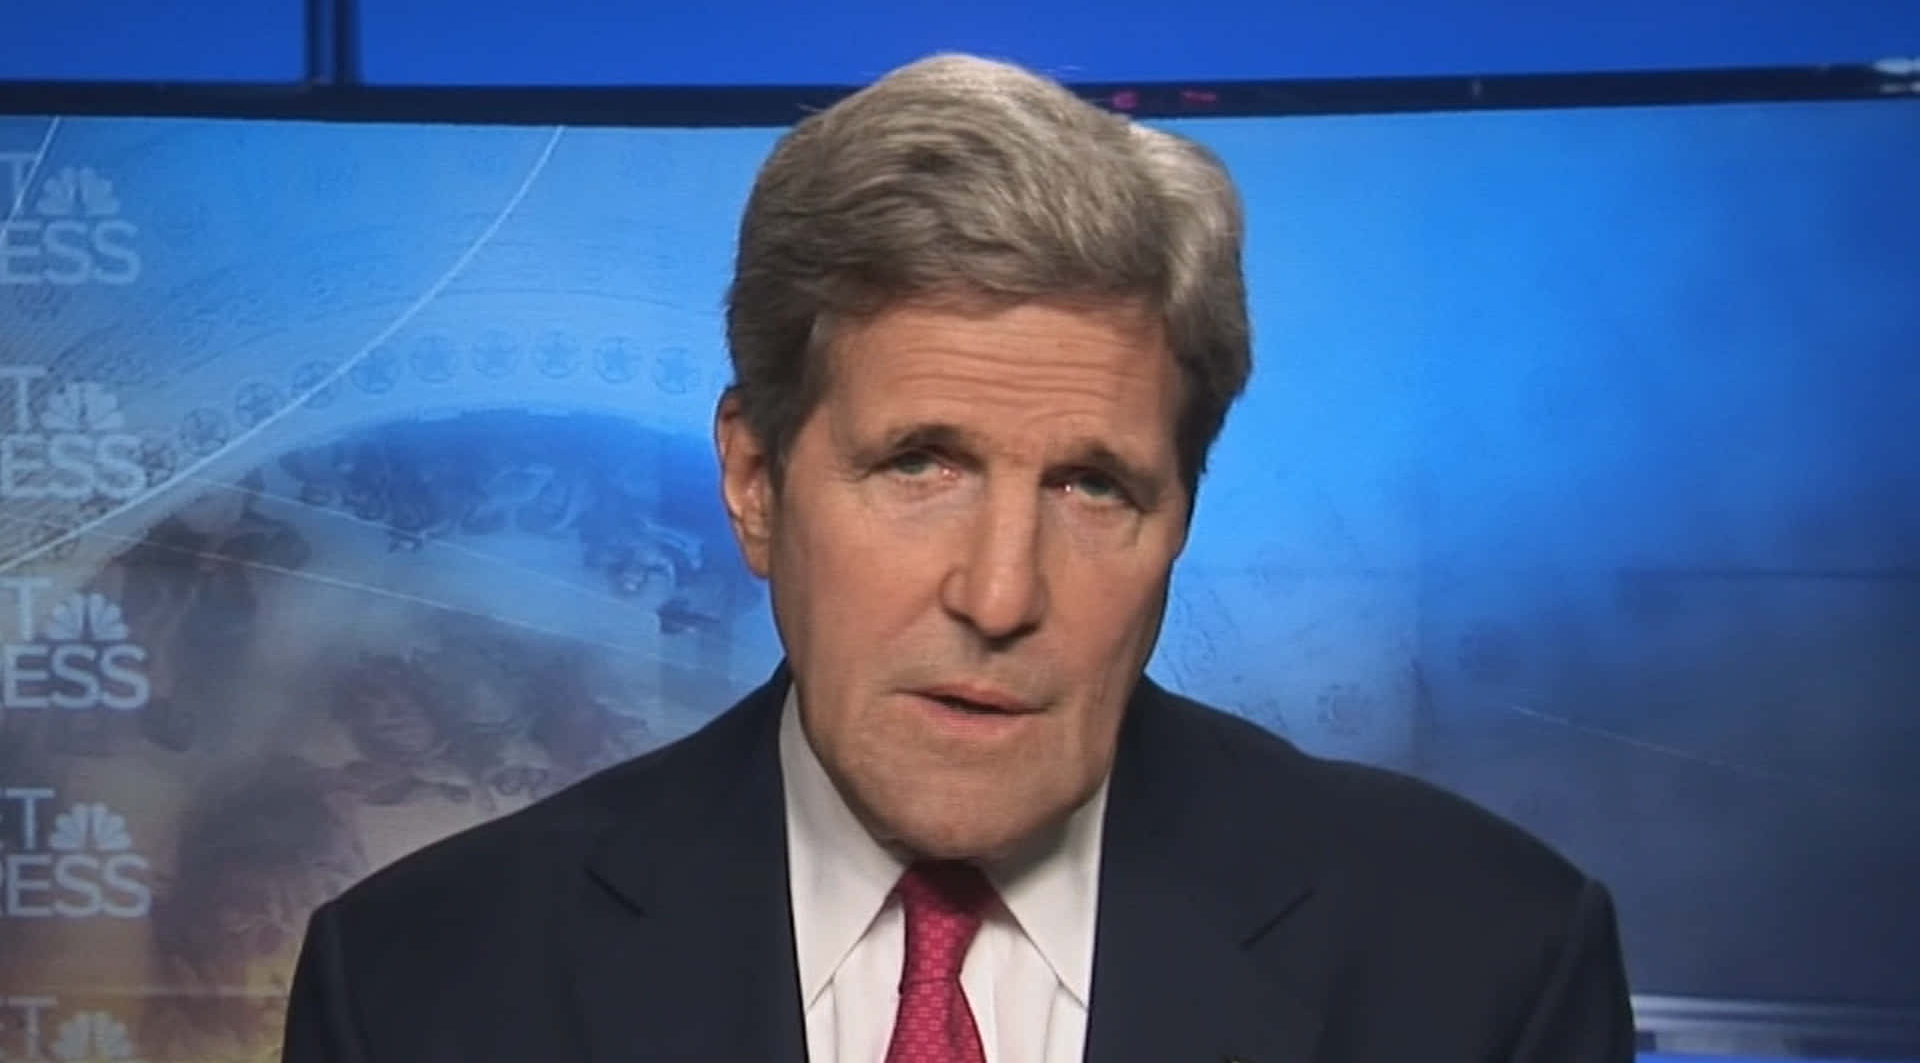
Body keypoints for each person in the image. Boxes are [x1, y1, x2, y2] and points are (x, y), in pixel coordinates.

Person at [282, 53, 1634, 1062]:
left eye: (1094, 487)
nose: (999, 596)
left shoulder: (1483, 967)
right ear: (756, 482)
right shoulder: (423, 988)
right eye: (919, 465)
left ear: (1182, 517)